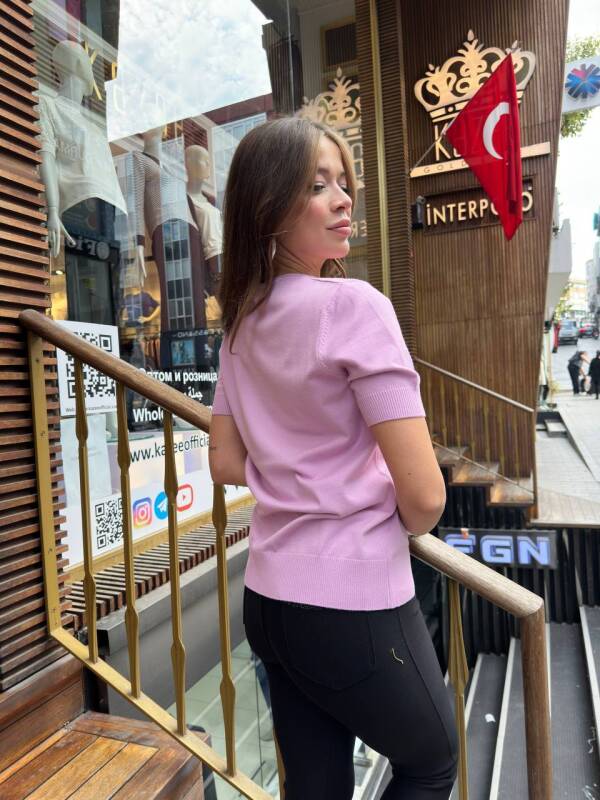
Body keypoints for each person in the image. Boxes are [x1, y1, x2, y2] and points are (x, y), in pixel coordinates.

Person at [208, 117, 457, 799]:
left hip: (270, 598)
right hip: (353, 599)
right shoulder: (354, 307)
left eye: (343, 182)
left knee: (316, 786)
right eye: (318, 186)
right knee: (433, 761)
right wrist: (354, 492)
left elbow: (224, 461)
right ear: (269, 208)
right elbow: (426, 498)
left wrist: (296, 477)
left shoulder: (240, 323)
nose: (344, 199)